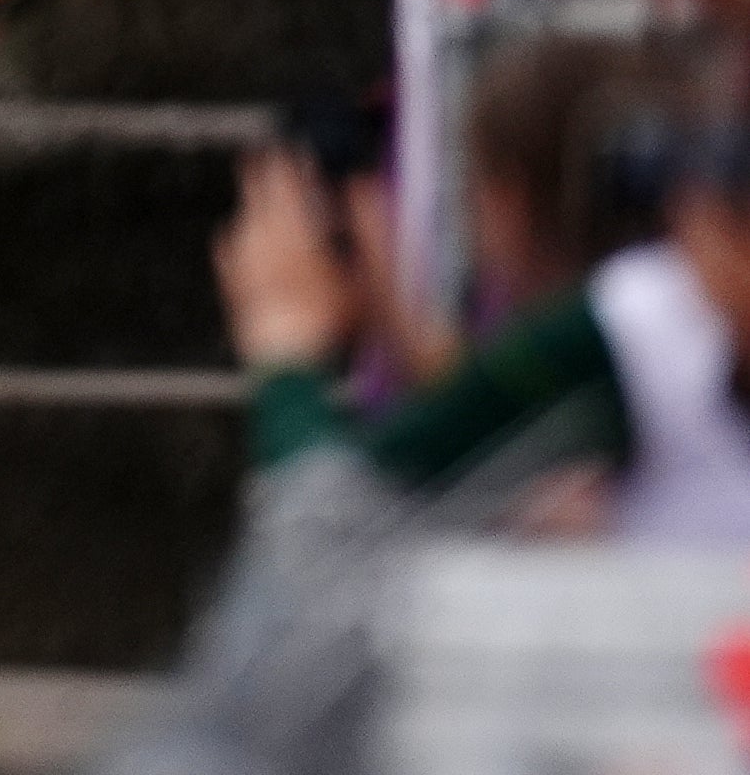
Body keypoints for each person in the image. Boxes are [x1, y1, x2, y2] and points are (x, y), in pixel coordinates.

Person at [226, 60, 750, 539]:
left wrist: (285, 346)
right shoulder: (648, 342)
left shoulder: (641, 326)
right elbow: (489, 399)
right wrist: (393, 306)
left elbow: (332, 532)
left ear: (511, 200)